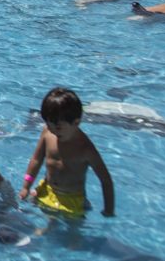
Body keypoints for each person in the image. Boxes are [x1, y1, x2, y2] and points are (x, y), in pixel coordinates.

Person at [19, 87, 115, 217]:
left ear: (76, 123)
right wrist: (26, 187)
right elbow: (36, 159)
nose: (53, 130)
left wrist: (109, 210)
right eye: (49, 124)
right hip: (47, 191)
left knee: (73, 228)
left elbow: (105, 180)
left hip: (72, 200)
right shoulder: (47, 132)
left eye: (58, 127)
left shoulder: (85, 148)